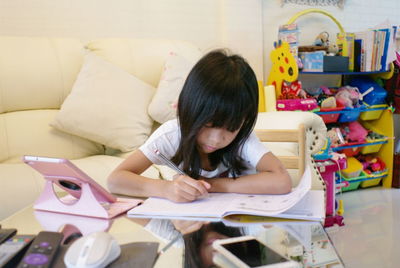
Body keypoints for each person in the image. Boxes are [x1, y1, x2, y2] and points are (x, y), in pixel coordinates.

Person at [107, 49, 292, 202]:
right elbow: (116, 180)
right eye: (208, 124)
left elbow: (282, 180)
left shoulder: (243, 140)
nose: (216, 139)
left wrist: (212, 184)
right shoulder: (171, 135)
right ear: (189, 108)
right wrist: (166, 189)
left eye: (231, 128)